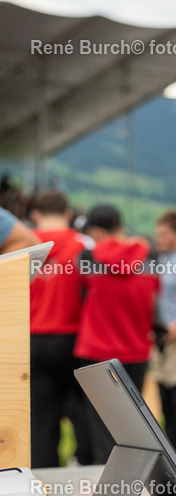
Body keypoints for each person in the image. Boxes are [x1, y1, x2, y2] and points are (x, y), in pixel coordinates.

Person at [74, 204, 160, 464]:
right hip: (136, 350)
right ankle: (132, 477)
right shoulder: (150, 255)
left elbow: (79, 295)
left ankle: (105, 481)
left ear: (97, 230)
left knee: (99, 421)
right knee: (133, 420)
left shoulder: (87, 258)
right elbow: (156, 298)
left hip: (96, 351)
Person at [27, 190, 88, 467]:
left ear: (34, 215)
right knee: (84, 412)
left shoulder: (20, 245)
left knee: (40, 419)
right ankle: (88, 472)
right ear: (68, 214)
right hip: (72, 337)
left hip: (32, 339)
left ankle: (44, 481)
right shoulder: (82, 246)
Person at [150, 210, 176, 452]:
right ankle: (171, 445)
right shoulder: (162, 260)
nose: (159, 238)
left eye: (164, 234)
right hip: (161, 336)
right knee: (163, 391)